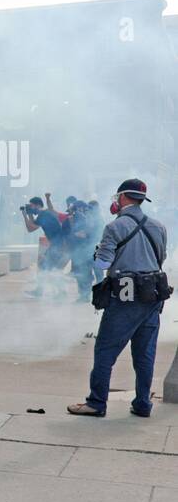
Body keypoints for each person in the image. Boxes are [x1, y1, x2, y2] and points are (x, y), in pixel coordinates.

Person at [69, 180, 169, 419]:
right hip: (151, 297)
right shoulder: (159, 226)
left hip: (124, 300)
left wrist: (99, 252)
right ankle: (143, 403)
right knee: (145, 355)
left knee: (105, 352)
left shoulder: (115, 227)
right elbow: (160, 258)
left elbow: (102, 263)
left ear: (123, 197)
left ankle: (96, 402)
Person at [23, 196, 68, 297]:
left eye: (32, 206)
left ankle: (59, 292)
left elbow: (30, 228)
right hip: (57, 244)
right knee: (46, 267)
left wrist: (25, 214)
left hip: (58, 245)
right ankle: (44, 291)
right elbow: (33, 224)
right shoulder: (43, 214)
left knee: (49, 268)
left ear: (38, 205)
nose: (31, 208)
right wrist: (29, 213)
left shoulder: (44, 214)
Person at [67, 198, 104, 303]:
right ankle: (87, 295)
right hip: (91, 251)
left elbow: (85, 233)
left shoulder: (95, 219)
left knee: (92, 274)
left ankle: (90, 295)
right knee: (90, 274)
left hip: (92, 250)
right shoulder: (93, 218)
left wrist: (81, 233)